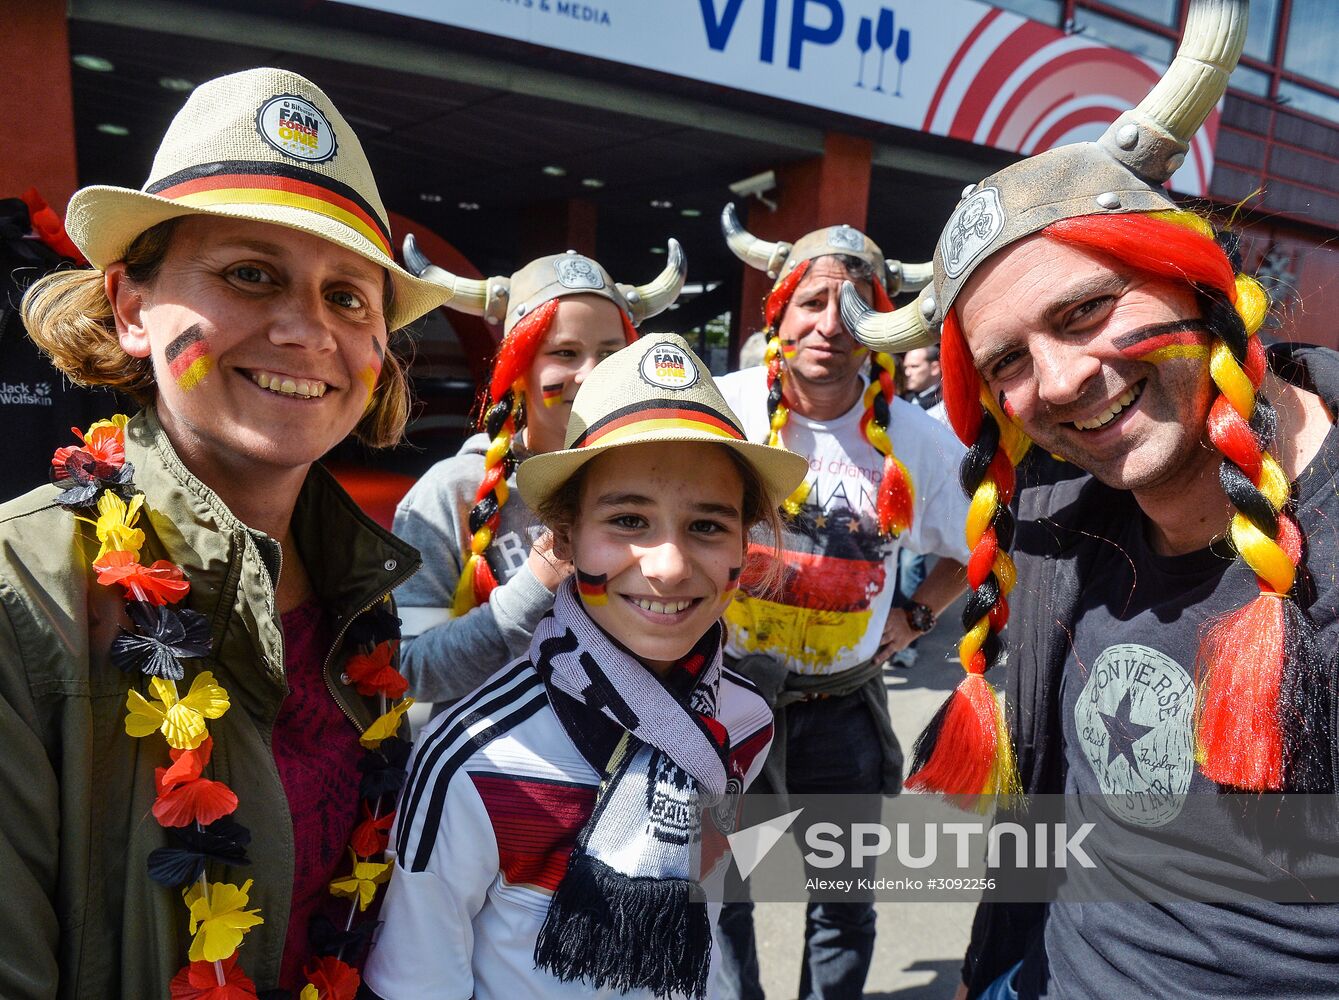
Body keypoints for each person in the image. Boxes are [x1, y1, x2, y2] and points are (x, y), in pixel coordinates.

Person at [844, 1, 1339, 997]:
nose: (1062, 380)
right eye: (1008, 362)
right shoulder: (1053, 517)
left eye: (1087, 309)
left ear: (1194, 283)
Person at [2, 68, 452, 998]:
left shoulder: (358, 597)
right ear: (131, 309)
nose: (306, 331)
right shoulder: (21, 597)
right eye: (251, 274)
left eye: (347, 298)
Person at [361, 334, 808, 999]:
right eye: (628, 520)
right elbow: (416, 984)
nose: (668, 566)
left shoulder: (744, 721)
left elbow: (706, 926)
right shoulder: (473, 758)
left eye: (707, 527)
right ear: (564, 540)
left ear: (746, 544)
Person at [713, 206, 970, 999]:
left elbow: (968, 553)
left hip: (842, 712)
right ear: (778, 314)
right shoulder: (718, 411)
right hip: (720, 707)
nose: (831, 323)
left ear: (883, 324)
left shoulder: (921, 441)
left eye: (854, 305)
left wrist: (914, 615)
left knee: (841, 900)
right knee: (726, 893)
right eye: (811, 302)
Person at [391, 241, 685, 703]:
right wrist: (533, 589)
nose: (590, 375)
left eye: (609, 355)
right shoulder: (450, 492)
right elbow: (410, 671)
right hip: (489, 768)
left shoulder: (656, 483)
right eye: (565, 353)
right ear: (518, 368)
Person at [900, 345, 947, 424]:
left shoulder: (947, 405)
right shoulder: (902, 401)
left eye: (914, 366)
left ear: (934, 368)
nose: (907, 373)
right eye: (905, 367)